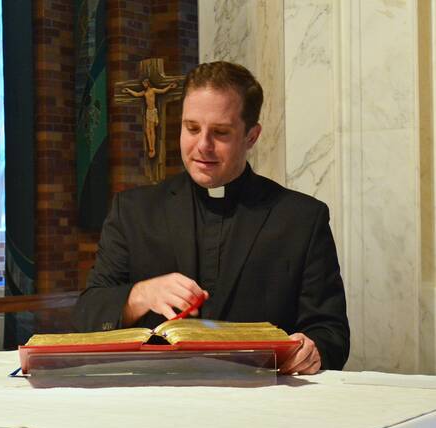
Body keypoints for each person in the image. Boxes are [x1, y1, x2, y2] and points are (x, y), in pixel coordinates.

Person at [74, 61, 349, 374]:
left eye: (220, 132)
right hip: (154, 399)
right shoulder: (133, 211)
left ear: (252, 136)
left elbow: (331, 333)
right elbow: (87, 313)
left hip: (262, 401)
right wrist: (138, 296)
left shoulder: (301, 219)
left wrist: (313, 350)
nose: (202, 146)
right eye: (191, 128)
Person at [122, 79, 178, 158]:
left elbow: (162, 91)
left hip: (152, 112)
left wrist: (169, 86)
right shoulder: (144, 93)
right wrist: (128, 90)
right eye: (143, 84)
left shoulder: (153, 90)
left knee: (152, 130)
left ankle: (153, 148)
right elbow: (136, 94)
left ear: (148, 83)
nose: (143, 85)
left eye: (144, 83)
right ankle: (150, 147)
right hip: (148, 112)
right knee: (147, 131)